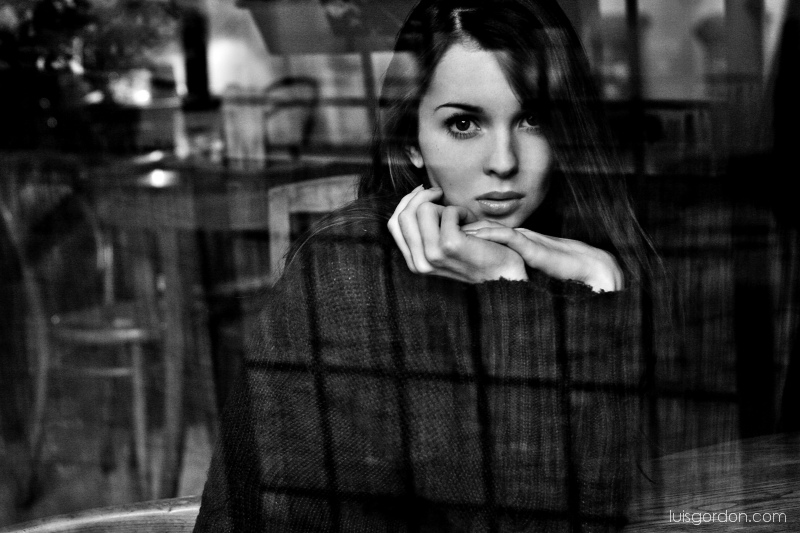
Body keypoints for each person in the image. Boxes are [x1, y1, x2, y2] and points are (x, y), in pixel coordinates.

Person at [194, 0, 657, 530]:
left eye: (533, 120)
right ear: (411, 142)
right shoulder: (349, 271)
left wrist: (596, 280)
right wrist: (506, 285)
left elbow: (590, 512)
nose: (503, 162)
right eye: (464, 123)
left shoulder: (577, 256)